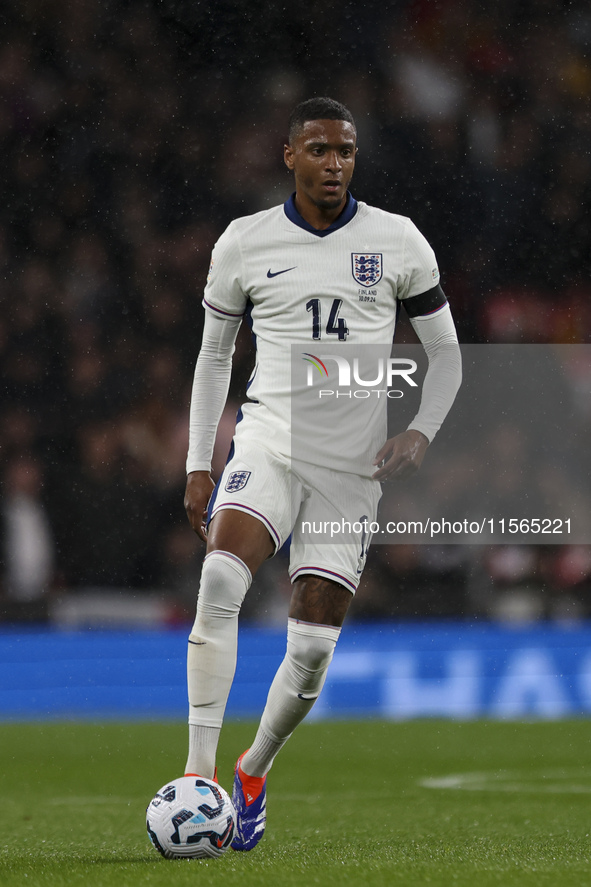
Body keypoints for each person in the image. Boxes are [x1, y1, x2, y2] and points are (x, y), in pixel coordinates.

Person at [183, 96, 462, 851]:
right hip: (269, 440)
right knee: (219, 579)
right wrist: (198, 461)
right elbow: (214, 358)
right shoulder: (244, 242)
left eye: (344, 151)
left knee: (308, 651)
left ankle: (251, 768)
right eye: (318, 149)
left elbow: (448, 356)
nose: (333, 163)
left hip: (349, 467)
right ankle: (197, 780)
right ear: (288, 156)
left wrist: (421, 433)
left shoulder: (396, 240)